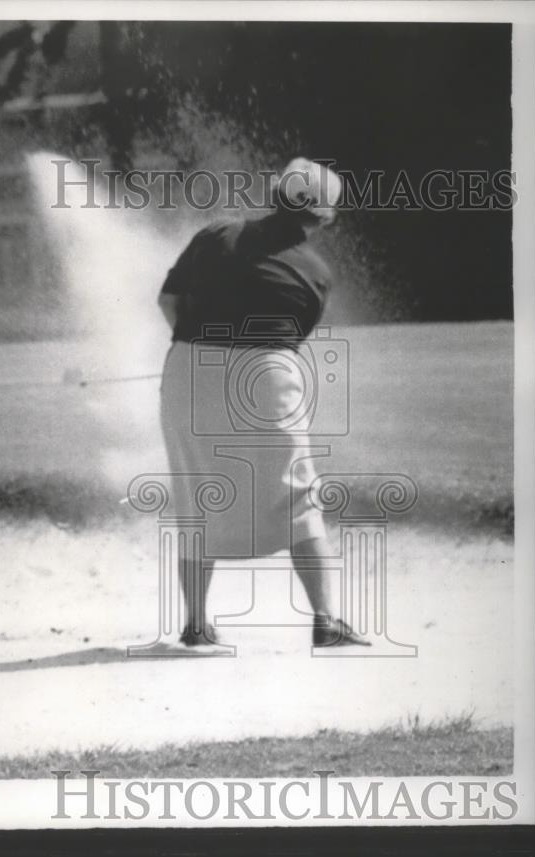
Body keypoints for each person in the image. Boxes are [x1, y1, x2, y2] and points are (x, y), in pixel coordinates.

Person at [158, 157, 369, 650]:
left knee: (197, 491)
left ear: (275, 195)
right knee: (296, 494)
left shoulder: (214, 234)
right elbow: (287, 340)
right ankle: (325, 621)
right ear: (320, 217)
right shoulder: (316, 273)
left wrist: (200, 349)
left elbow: (169, 303)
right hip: (266, 375)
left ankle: (195, 624)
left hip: (189, 370)